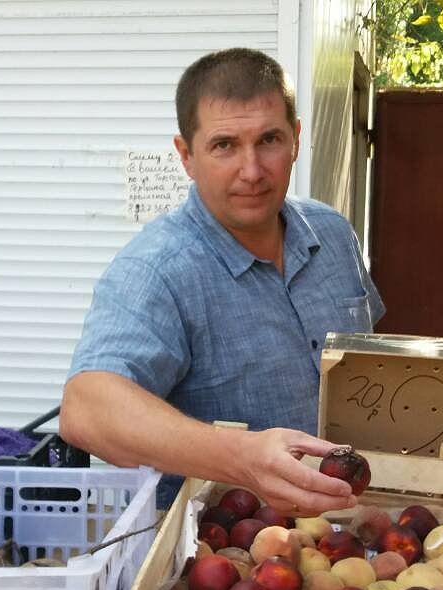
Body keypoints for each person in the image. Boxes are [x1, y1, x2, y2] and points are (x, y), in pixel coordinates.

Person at [59, 48, 383, 517]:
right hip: (223, 556)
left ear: (295, 139)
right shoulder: (156, 270)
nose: (251, 171)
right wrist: (242, 457)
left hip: (355, 529)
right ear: (186, 155)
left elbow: (372, 368)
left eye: (268, 139)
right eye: (224, 145)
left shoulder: (333, 235)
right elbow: (86, 409)